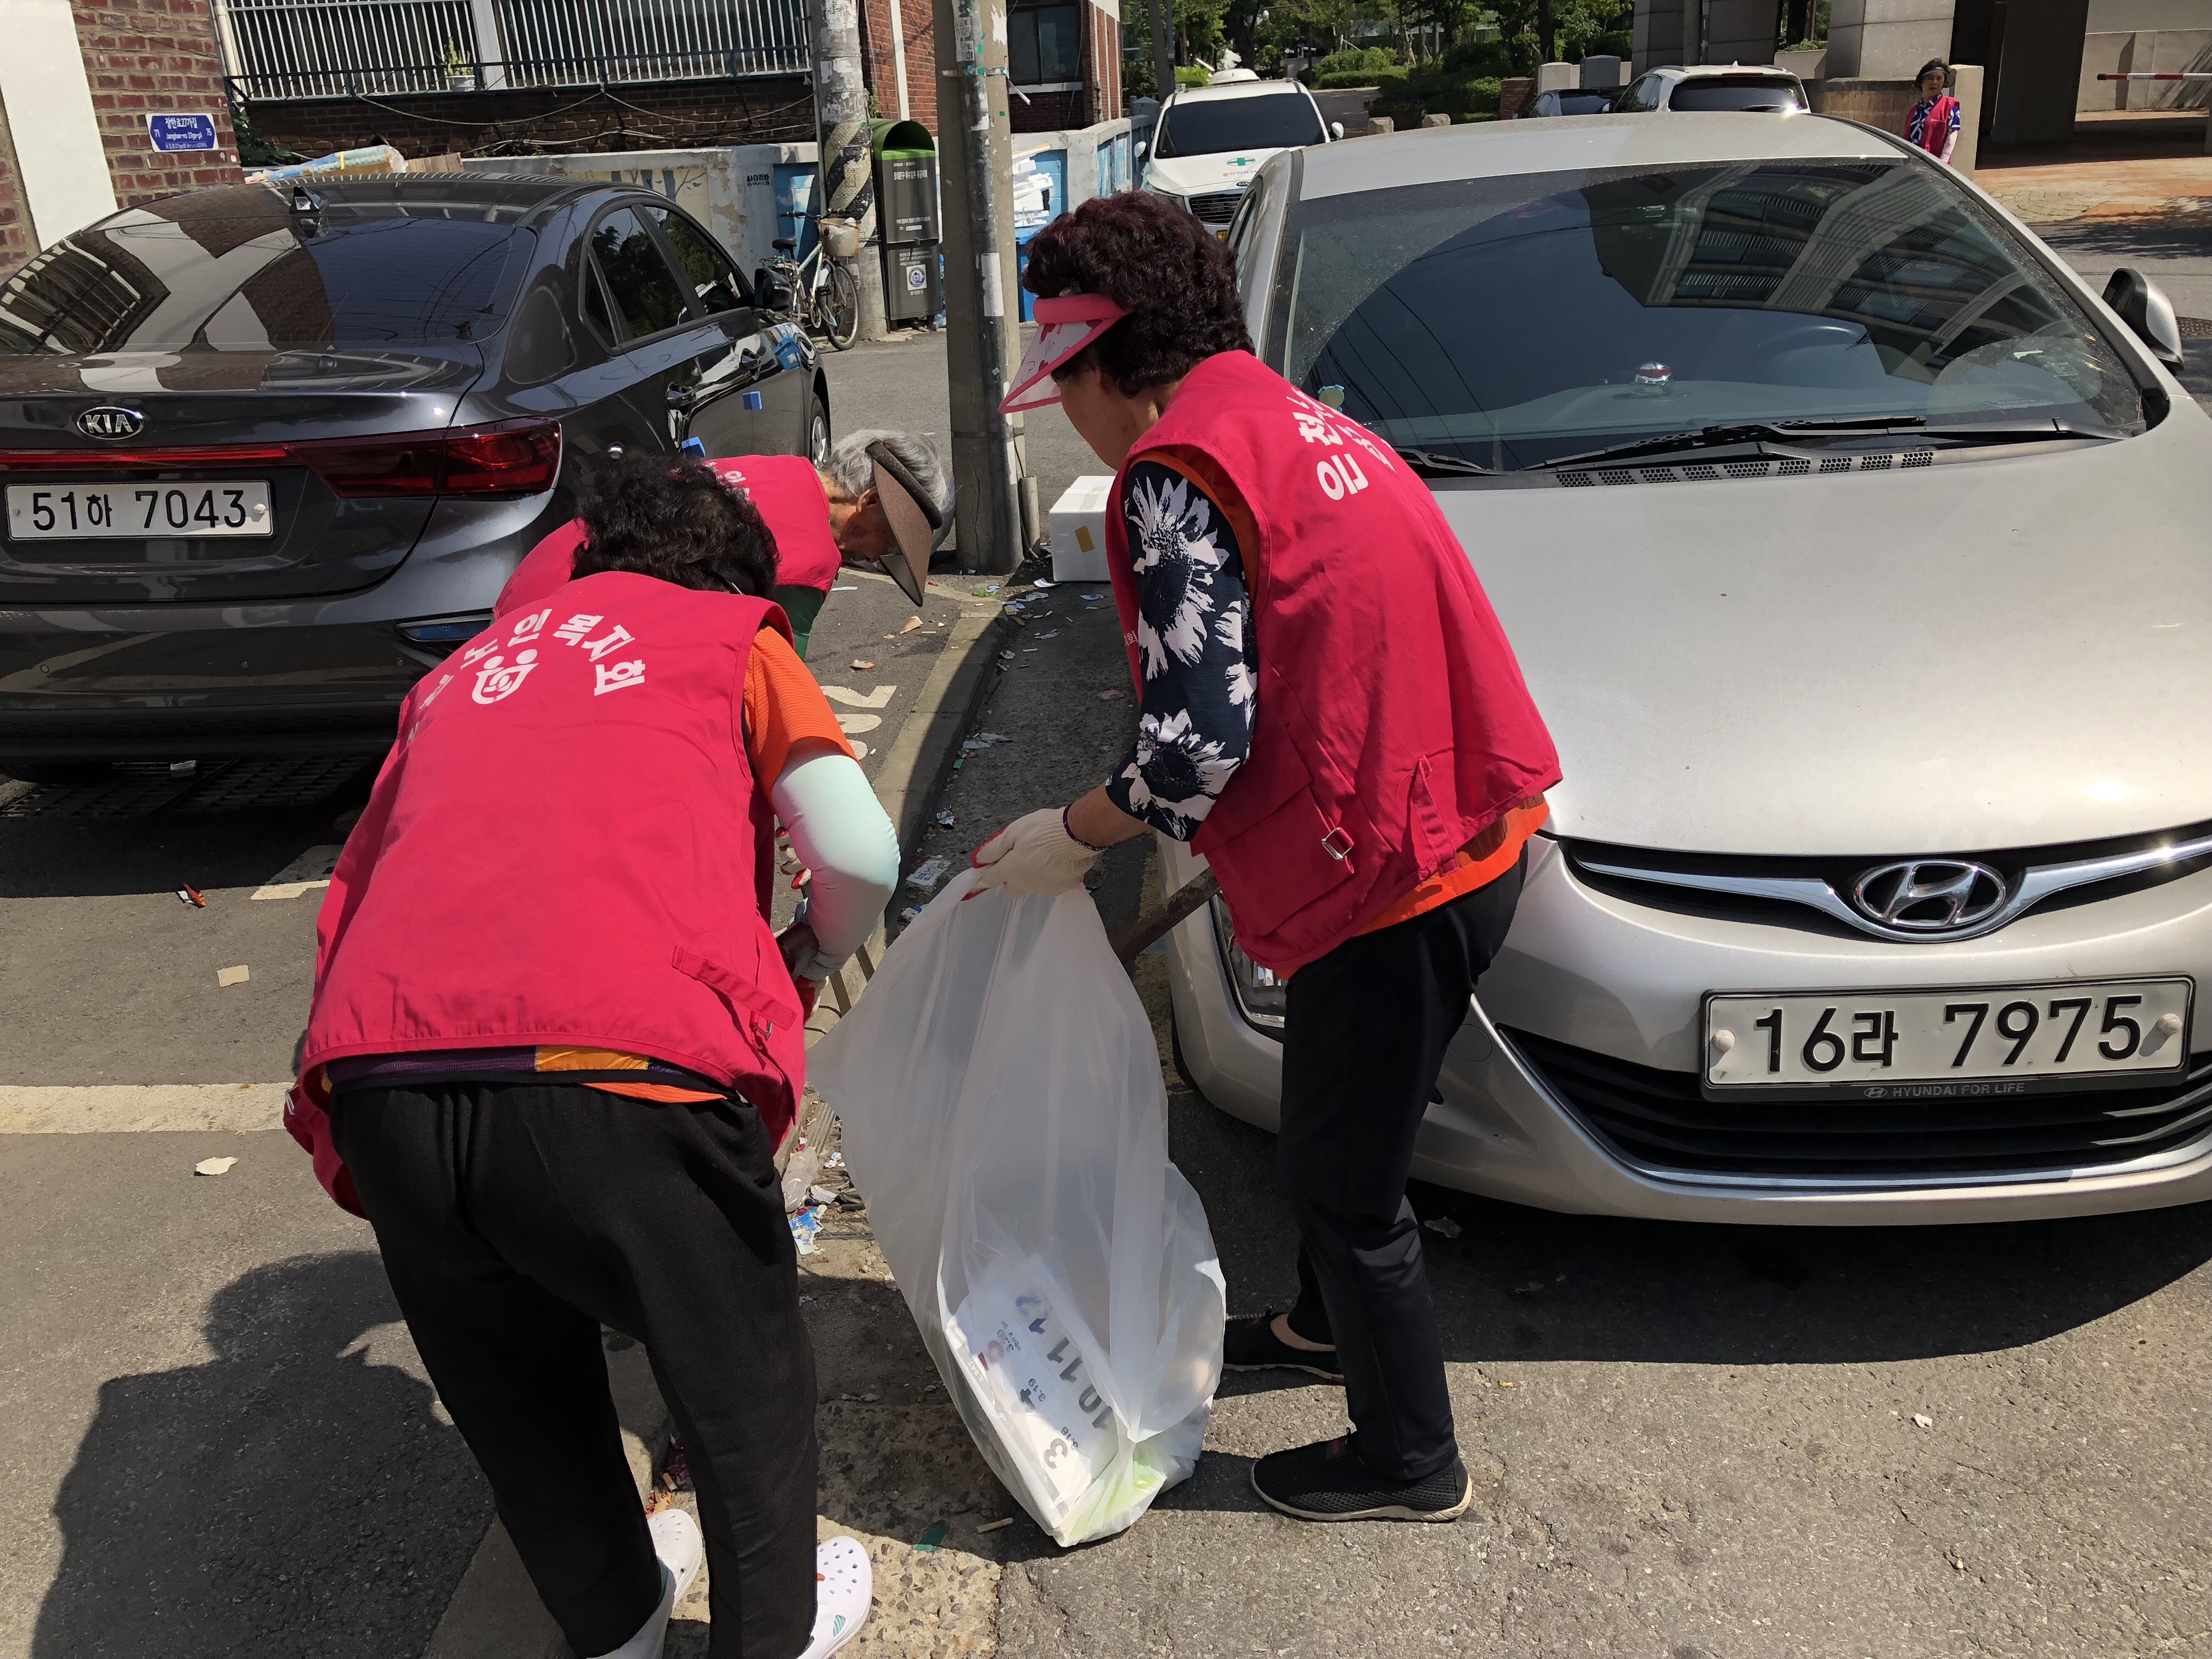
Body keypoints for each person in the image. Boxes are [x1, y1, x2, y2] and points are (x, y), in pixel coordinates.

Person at [969, 194, 1560, 1525]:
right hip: (1460, 829)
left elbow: (1193, 748)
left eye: (1066, 386)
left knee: (1345, 1185)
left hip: (1392, 879)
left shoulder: (1176, 472)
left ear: (1104, 363)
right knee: (1336, 1127)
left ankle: (1410, 1459)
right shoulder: (1300, 422)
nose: (1071, 418)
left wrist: (1068, 838)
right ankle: (1319, 1328)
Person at [284, 454, 899, 1659]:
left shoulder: (461, 673)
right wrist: (805, 958)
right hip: (616, 1071)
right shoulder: (732, 637)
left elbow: (363, 883)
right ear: (735, 577)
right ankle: (771, 1634)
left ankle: (617, 1625)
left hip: (387, 1078)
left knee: (517, 1397)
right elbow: (857, 854)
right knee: (741, 1384)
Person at [498, 430, 952, 656]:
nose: (873, 557)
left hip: (528, 592)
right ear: (869, 502)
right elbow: (778, 684)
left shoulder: (779, 469)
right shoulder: (811, 557)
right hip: (568, 630)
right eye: (888, 544)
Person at [1908, 59, 1961, 166]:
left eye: (1939, 78)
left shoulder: (1950, 106)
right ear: (1922, 82)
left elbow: (1952, 136)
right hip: (1913, 163)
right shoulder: (1915, 110)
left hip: (1935, 165)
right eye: (1931, 78)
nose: (1935, 82)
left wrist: (1942, 164)